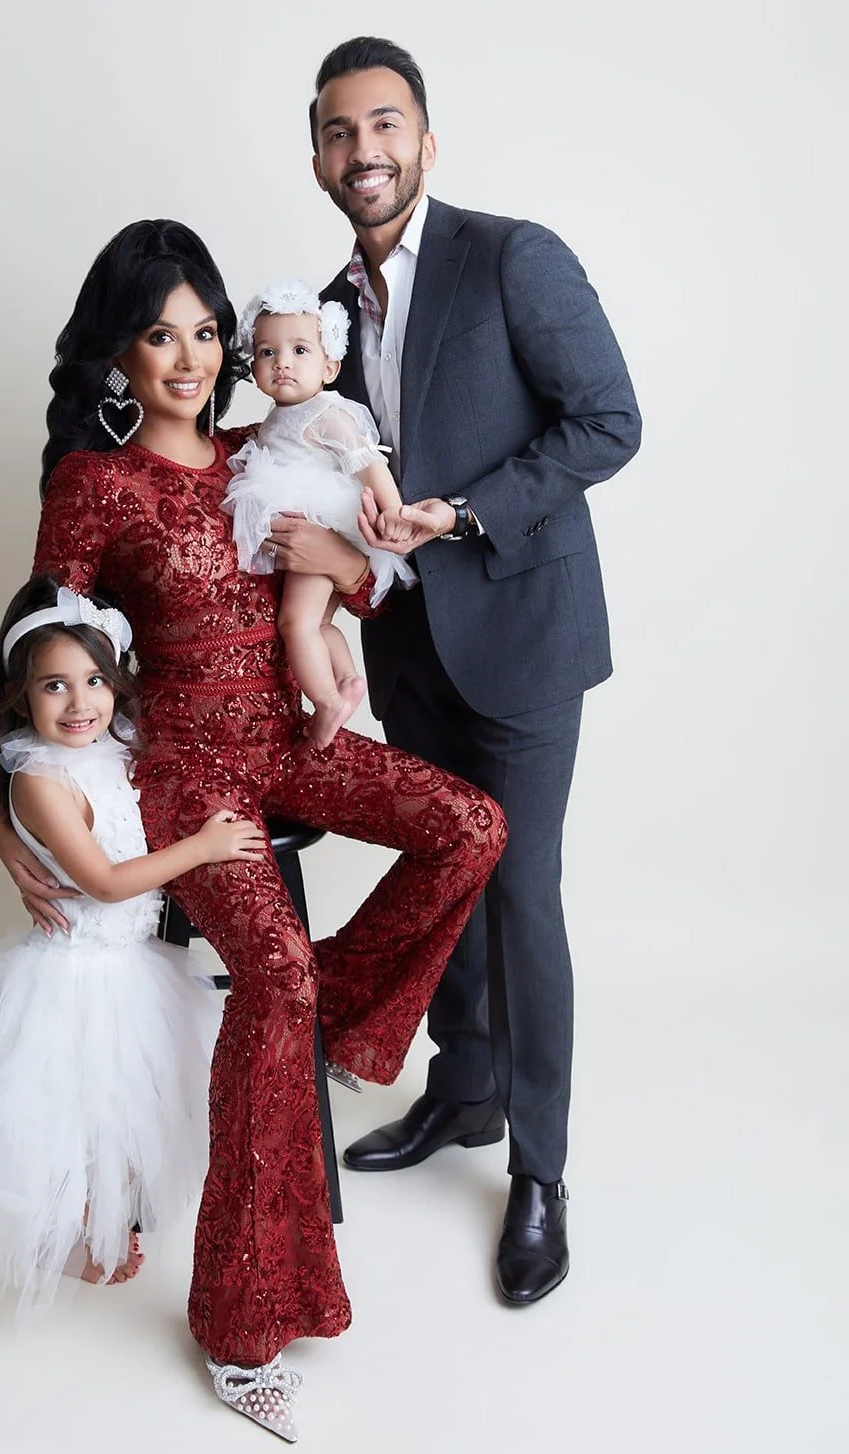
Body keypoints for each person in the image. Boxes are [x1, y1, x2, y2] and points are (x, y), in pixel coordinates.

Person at [0, 219, 506, 1440]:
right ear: (116, 354)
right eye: (157, 334)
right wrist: (10, 812)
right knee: (268, 983)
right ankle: (237, 1323)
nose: (186, 354)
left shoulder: (265, 441)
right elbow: (39, 656)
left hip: (293, 733)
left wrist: (348, 560)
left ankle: (336, 1015)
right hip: (182, 767)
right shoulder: (91, 485)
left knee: (470, 823)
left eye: (204, 330)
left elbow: (364, 570)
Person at [308, 36, 642, 1305]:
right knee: (443, 865)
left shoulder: (511, 255)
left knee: (521, 892)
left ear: (426, 141)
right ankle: (462, 1093)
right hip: (409, 640)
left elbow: (607, 419)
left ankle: (542, 1171)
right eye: (340, 133)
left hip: (518, 629)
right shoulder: (327, 304)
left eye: (383, 125)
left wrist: (463, 513)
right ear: (319, 155)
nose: (365, 151)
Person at [0, 576, 265, 1309]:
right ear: (20, 696)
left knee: (131, 1103)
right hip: (77, 975)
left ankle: (113, 1215)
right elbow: (102, 880)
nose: (80, 704)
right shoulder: (39, 778)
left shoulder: (114, 741)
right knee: (77, 1112)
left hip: (130, 965)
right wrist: (202, 848)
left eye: (95, 681)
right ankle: (70, 1235)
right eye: (55, 687)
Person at [221, 279, 415, 748]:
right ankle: (347, 679)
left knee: (295, 624)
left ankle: (326, 703)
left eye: (300, 350)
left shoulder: (328, 413)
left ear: (330, 366)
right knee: (318, 624)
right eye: (267, 352)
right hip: (311, 531)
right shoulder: (277, 417)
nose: (282, 362)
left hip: (324, 527)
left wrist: (394, 515)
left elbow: (369, 465)